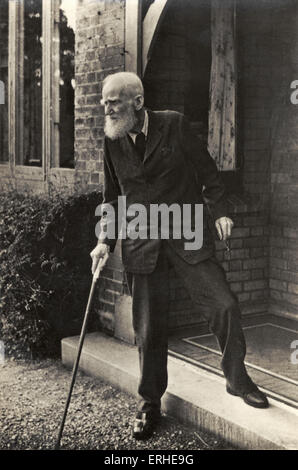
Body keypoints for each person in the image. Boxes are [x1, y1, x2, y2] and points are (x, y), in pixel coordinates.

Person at [90, 71, 269, 440]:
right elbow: (111, 198)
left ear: (137, 102)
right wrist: (105, 242)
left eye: (113, 102)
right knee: (149, 328)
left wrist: (219, 210)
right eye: (103, 102)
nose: (106, 109)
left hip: (186, 231)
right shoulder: (111, 141)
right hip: (142, 240)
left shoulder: (174, 125)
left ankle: (237, 379)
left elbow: (208, 171)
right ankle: (149, 403)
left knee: (224, 305)